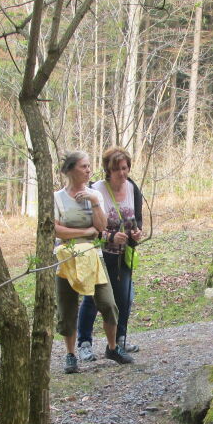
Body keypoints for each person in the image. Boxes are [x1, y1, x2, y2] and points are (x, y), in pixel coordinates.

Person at [53, 150, 133, 374]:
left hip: (93, 256)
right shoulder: (58, 198)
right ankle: (70, 355)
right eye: (83, 167)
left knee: (108, 303)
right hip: (66, 257)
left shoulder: (93, 194)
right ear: (70, 170)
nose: (88, 170)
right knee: (67, 307)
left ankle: (112, 348)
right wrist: (84, 230)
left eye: (89, 166)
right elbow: (55, 229)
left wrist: (95, 202)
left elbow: (101, 227)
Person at [76, 147, 144, 362]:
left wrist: (136, 233)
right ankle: (84, 343)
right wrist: (110, 236)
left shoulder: (133, 188)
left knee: (124, 297)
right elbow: (90, 227)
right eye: (117, 169)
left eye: (125, 168)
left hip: (123, 253)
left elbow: (137, 218)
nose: (122, 173)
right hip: (100, 253)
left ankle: (119, 341)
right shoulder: (96, 190)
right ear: (108, 170)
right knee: (95, 298)